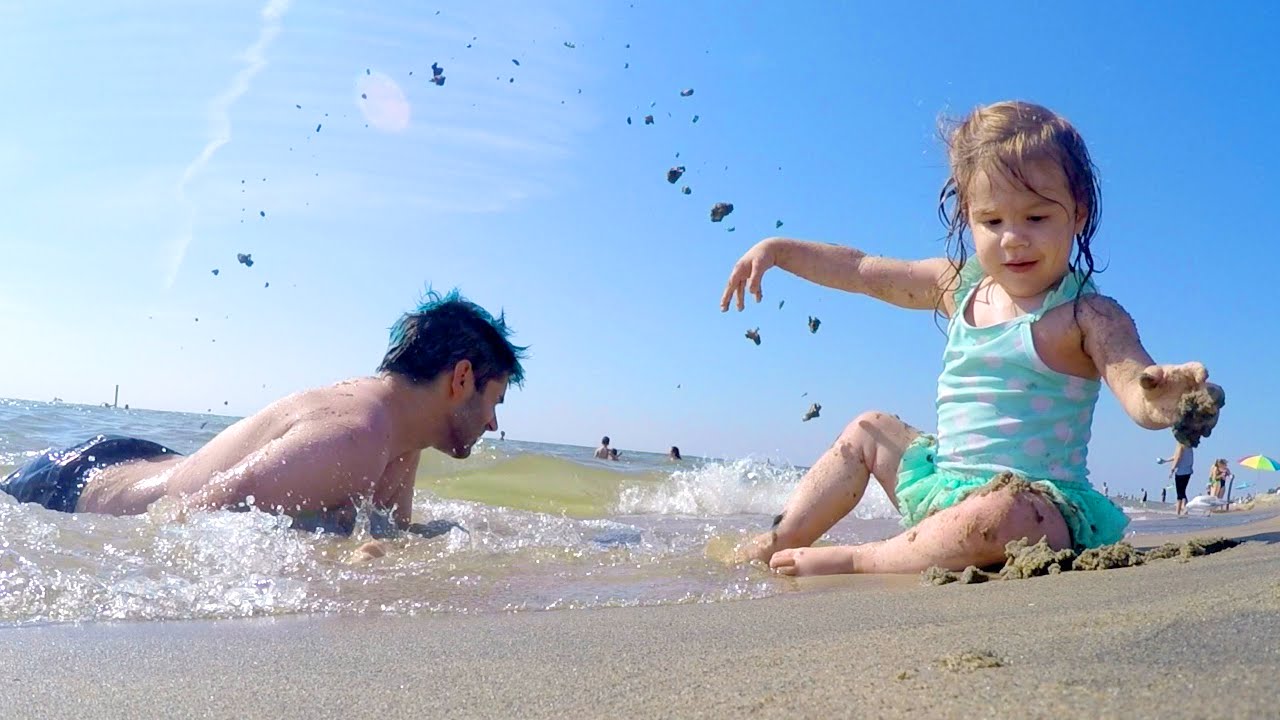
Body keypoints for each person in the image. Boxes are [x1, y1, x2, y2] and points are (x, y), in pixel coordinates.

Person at [719, 100, 1221, 576]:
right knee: (868, 429)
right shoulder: (957, 287)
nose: (1013, 238)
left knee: (1008, 510)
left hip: (1036, 507)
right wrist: (779, 250)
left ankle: (864, 560)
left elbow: (1136, 385)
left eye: (1037, 217)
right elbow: (862, 270)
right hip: (943, 490)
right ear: (967, 216)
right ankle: (779, 541)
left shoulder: (1087, 314)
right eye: (992, 220)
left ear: (1079, 212)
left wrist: (1169, 400)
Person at [0, 290, 526, 538]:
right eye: (494, 400)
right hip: (74, 484)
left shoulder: (403, 440)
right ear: (461, 379)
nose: (493, 424)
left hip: (148, 459)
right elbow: (183, 521)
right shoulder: (354, 435)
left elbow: (384, 534)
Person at [1161, 442, 1194, 516]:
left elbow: (1178, 457)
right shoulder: (1189, 445)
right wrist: (1166, 460)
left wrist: (1172, 469)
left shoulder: (1180, 445)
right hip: (1188, 471)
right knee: (1182, 492)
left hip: (1180, 472)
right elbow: (1176, 456)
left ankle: (1183, 508)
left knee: (1180, 493)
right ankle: (1179, 512)